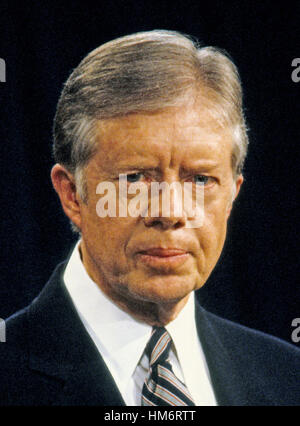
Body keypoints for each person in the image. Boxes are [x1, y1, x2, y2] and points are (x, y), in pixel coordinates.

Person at [1, 30, 299, 406]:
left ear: (231, 195)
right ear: (73, 194)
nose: (171, 212)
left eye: (201, 180)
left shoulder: (288, 378)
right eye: (136, 178)